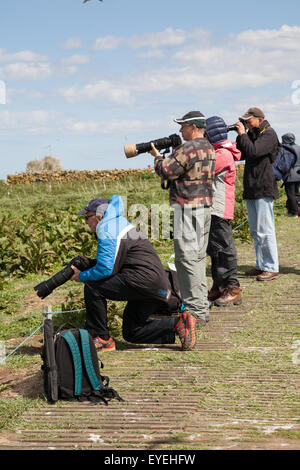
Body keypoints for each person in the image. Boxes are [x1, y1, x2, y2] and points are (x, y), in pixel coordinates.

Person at [70, 195, 197, 352]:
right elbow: (117, 261)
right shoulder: (118, 224)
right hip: (154, 283)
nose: (85, 222)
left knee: (92, 286)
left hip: (141, 281)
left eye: (87, 217)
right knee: (132, 332)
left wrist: (81, 276)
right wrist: (91, 263)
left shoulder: (107, 228)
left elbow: (106, 270)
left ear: (99, 216)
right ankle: (179, 324)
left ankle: (102, 338)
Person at [149, 111, 215, 326]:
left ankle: (195, 313)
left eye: (183, 126)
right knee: (196, 259)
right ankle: (200, 307)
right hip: (204, 208)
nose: (180, 130)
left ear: (193, 127)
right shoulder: (207, 146)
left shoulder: (189, 148)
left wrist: (158, 157)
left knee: (187, 260)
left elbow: (167, 170)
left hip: (189, 209)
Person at [235, 107, 280, 281]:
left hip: (264, 186)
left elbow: (254, 151)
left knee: (265, 230)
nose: (246, 123)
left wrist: (243, 134)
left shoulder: (269, 134)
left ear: (259, 119)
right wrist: (242, 135)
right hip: (252, 187)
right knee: (255, 231)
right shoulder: (255, 134)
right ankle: (260, 264)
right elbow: (243, 153)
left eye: (249, 120)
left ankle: (271, 267)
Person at [205, 116, 242, 306]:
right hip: (214, 206)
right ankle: (219, 286)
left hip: (219, 207)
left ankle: (233, 288)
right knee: (216, 250)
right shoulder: (220, 152)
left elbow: (202, 169)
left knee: (225, 249)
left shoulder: (222, 154)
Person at [277, 133, 300, 217]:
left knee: (290, 194)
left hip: (290, 175)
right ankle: (298, 211)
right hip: (299, 174)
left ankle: (294, 213)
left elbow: (283, 163)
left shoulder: (285, 149)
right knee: (297, 193)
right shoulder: (299, 147)